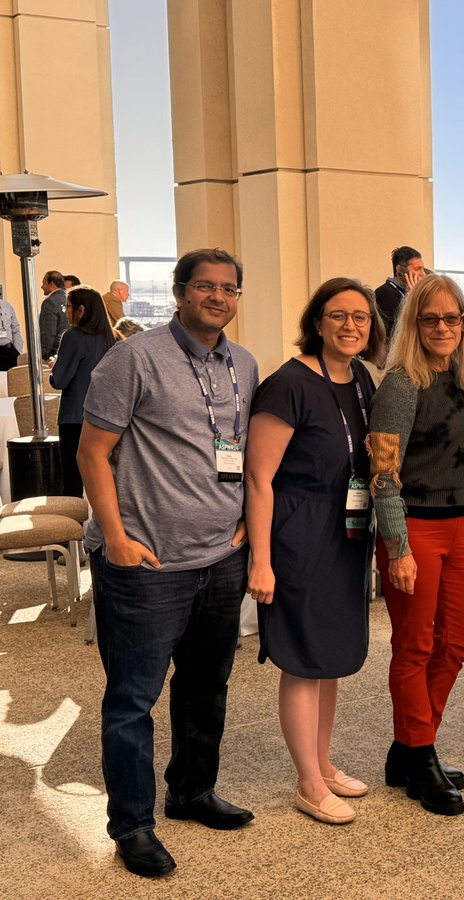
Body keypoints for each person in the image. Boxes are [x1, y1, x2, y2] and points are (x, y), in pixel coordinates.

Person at [77, 249, 258, 878]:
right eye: (204, 286)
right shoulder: (134, 357)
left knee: (206, 686)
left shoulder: (244, 363)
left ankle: (191, 792)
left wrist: (241, 529)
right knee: (133, 699)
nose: (218, 296)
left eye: (229, 288)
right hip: (146, 564)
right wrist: (117, 539)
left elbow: (235, 451)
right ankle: (132, 824)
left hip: (220, 558)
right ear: (180, 293)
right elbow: (92, 453)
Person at [245, 277, 385, 825]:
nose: (351, 326)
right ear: (317, 321)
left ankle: (323, 764)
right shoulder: (289, 383)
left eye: (361, 317)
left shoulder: (361, 380)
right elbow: (258, 478)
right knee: (304, 660)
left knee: (329, 659)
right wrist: (261, 559)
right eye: (338, 315)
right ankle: (306, 782)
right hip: (299, 537)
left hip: (347, 535)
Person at [367, 274, 464, 816]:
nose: (442, 327)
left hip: (460, 528)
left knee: (457, 641)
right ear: (413, 323)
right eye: (430, 318)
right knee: (415, 647)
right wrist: (397, 546)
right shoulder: (400, 385)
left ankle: (410, 746)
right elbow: (383, 475)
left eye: (451, 318)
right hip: (415, 529)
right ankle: (421, 753)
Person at [49, 286, 116, 496]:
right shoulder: (113, 338)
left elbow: (59, 380)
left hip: (76, 417)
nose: (65, 312)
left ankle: (74, 528)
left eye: (67, 307)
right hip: (109, 418)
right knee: (105, 479)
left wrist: (53, 369)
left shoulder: (73, 337)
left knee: (73, 481)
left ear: (81, 310)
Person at [375, 246, 427, 340]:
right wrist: (411, 298)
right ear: (400, 270)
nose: (423, 274)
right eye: (417, 269)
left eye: (423, 269)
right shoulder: (385, 293)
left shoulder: (409, 292)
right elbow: (398, 330)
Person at [39, 269, 69, 360]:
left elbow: (48, 331)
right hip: (71, 348)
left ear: (51, 284)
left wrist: (45, 354)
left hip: (55, 353)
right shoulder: (70, 298)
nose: (41, 287)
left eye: (44, 283)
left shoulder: (49, 302)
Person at [0, 284, 23, 371]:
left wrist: (18, 352)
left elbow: (16, 329)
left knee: (11, 381)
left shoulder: (7, 306)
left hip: (8, 351)